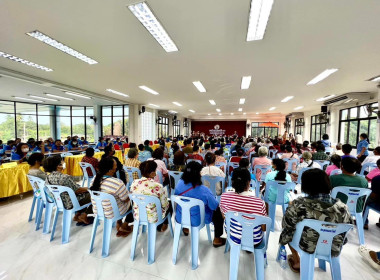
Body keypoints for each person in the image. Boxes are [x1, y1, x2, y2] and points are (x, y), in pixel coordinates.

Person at [279, 169, 352, 273]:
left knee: (288, 231)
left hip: (307, 245)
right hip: (333, 247)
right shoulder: (343, 207)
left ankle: (296, 260)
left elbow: (286, 224)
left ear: (306, 186)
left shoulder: (299, 204)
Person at [174, 162, 224, 246]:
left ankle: (185, 228)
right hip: (197, 219)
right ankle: (217, 239)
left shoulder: (179, 183)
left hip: (180, 216)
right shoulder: (204, 190)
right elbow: (214, 206)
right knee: (218, 211)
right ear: (198, 175)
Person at [220, 167, 267, 246]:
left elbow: (224, 217)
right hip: (254, 240)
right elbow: (264, 228)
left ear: (232, 182)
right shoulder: (259, 203)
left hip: (233, 236)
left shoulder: (224, 197)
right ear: (249, 182)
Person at [90, 157, 133, 237]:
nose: (116, 167)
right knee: (134, 202)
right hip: (113, 213)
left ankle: (119, 222)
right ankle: (125, 225)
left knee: (116, 200)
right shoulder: (117, 183)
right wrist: (131, 194)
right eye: (115, 166)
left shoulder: (94, 179)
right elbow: (126, 199)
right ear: (111, 170)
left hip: (98, 211)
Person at [44, 155, 93, 224]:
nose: (64, 162)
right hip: (71, 202)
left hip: (60, 202)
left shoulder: (48, 178)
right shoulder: (65, 177)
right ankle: (85, 214)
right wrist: (91, 188)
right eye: (62, 161)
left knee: (86, 193)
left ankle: (78, 214)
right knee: (95, 195)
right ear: (59, 166)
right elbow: (78, 190)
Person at [130, 160, 171, 232]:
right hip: (154, 217)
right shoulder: (157, 186)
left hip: (138, 215)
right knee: (169, 204)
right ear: (152, 173)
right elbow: (164, 205)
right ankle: (163, 225)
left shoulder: (134, 183)